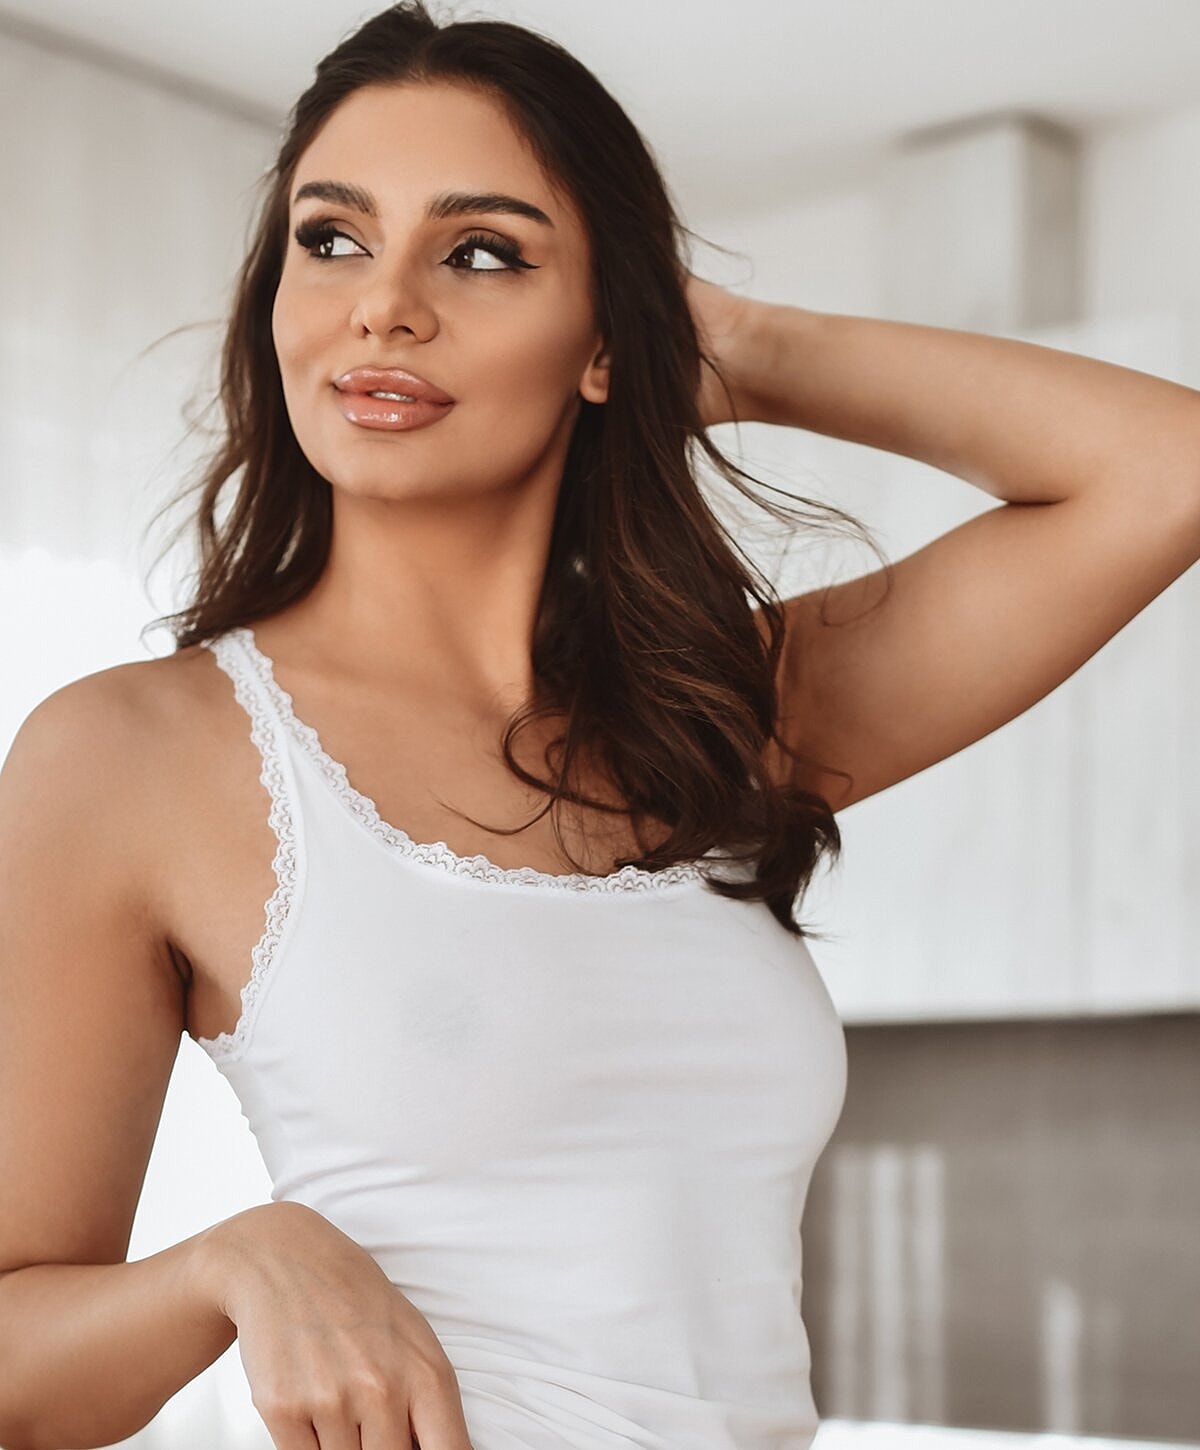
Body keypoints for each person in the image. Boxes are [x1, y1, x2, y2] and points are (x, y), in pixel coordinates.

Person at [2, 3, 1199, 1448]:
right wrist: (239, 1261)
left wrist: (745, 347)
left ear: (606, 341)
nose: (383, 303)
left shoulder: (727, 719)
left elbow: (1165, 470)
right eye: (331, 238)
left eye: (482, 250)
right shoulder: (130, 755)